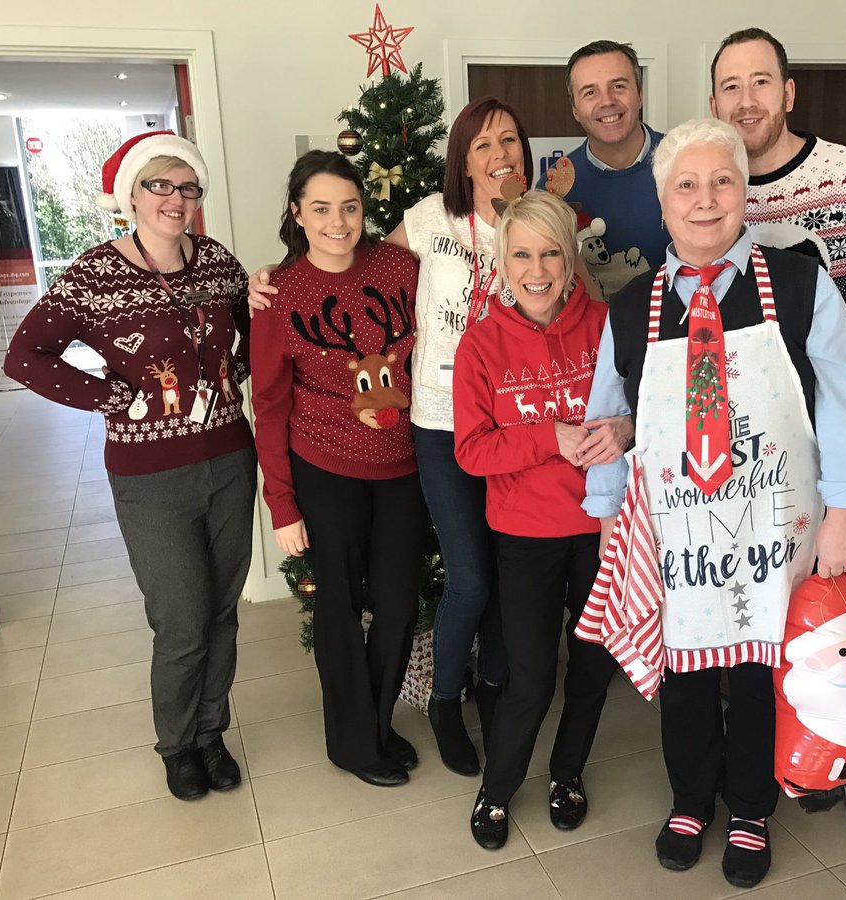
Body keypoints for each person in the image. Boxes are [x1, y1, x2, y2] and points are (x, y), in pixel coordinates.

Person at [247, 98, 628, 777]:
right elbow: (341, 263)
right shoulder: (426, 223)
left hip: (524, 428)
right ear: (460, 158)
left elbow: (580, 307)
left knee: (508, 581)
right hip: (439, 425)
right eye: (480, 144)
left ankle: (496, 689)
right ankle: (447, 700)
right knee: (473, 579)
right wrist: (267, 282)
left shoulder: (542, 223)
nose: (498, 154)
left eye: (509, 140)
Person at [580, 119, 846, 888]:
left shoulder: (802, 284)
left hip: (774, 528)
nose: (705, 201)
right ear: (663, 199)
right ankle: (690, 800)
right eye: (687, 185)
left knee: (754, 672)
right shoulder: (630, 308)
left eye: (722, 183)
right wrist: (608, 513)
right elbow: (606, 410)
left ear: (746, 193)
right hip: (675, 536)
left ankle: (748, 809)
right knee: (683, 672)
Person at [710, 26, 846, 833]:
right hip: (754, 451)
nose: (747, 100)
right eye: (731, 85)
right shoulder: (714, 183)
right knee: (760, 611)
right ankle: (764, 764)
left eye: (761, 81)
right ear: (714, 100)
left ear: (788, 91)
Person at [4, 131, 255, 802]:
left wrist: (230, 376)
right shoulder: (94, 274)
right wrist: (112, 395)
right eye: (160, 185)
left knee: (224, 611)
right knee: (181, 617)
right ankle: (177, 746)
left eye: (187, 187)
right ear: (133, 195)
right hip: (150, 476)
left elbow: (249, 336)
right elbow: (25, 355)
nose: (175, 200)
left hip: (231, 458)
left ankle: (210, 733)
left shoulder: (219, 264)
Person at [250, 150, 426, 787]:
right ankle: (353, 743)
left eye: (349, 207)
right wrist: (282, 505)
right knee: (340, 611)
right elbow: (267, 403)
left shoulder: (399, 267)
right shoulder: (278, 295)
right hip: (324, 468)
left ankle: (378, 722)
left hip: (404, 467)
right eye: (321, 208)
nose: (337, 221)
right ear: (297, 214)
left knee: (400, 604)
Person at [453, 190, 618, 850]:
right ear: (503, 261)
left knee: (592, 665)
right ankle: (497, 788)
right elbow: (470, 450)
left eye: (551, 251)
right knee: (530, 679)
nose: (538, 267)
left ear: (571, 256)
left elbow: (646, 413)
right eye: (522, 253)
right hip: (525, 536)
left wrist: (623, 431)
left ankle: (568, 774)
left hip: (603, 531)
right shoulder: (482, 344)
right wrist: (551, 434)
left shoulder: (607, 324)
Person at [537, 40, 670, 299]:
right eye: (590, 92)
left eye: (618, 86)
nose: (607, 101)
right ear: (575, 109)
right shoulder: (554, 187)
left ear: (640, 93)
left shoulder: (686, 161)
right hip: (594, 336)